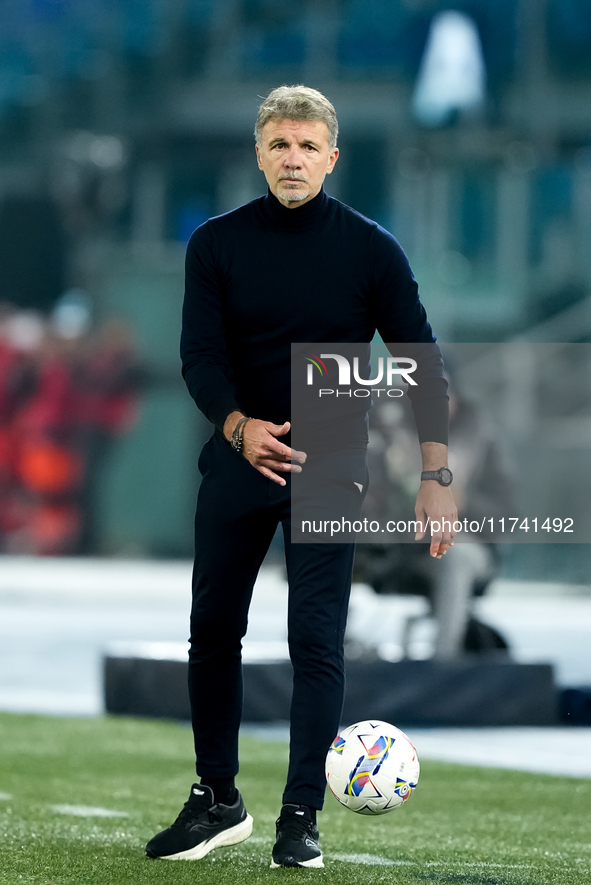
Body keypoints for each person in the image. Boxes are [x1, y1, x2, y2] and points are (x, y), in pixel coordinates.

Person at [146, 85, 457, 869]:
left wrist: (436, 474)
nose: (292, 159)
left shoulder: (370, 249)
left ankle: (298, 816)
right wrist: (239, 427)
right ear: (259, 153)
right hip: (237, 460)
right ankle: (216, 799)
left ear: (331, 157)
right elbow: (200, 357)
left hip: (330, 468)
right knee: (212, 631)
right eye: (278, 144)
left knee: (315, 640)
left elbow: (420, 364)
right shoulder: (215, 245)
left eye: (306, 146)